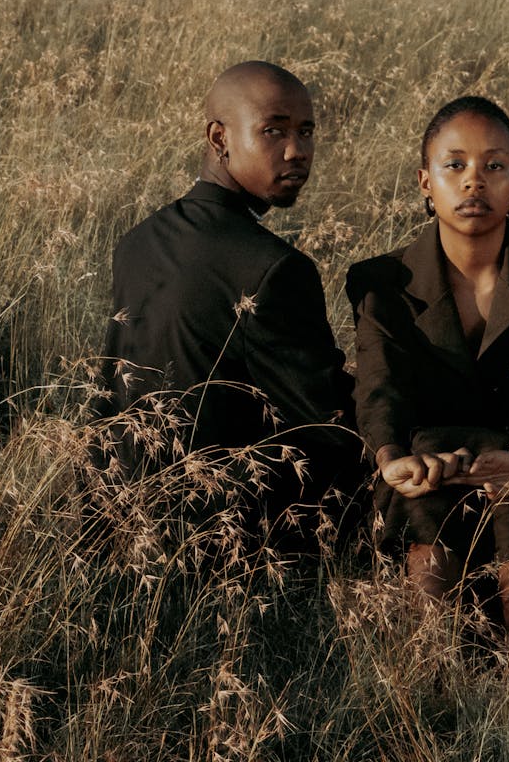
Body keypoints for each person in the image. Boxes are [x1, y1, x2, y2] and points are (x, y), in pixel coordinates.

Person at [346, 96, 509, 636]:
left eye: (494, 166)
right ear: (425, 181)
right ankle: (428, 669)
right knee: (423, 486)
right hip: (433, 452)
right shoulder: (380, 280)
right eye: (455, 165)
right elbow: (380, 386)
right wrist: (390, 457)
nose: (474, 181)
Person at [95, 60, 361, 547]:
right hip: (217, 533)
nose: (296, 151)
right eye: (272, 131)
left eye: (306, 132)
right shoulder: (273, 268)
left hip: (116, 513)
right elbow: (328, 422)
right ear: (219, 139)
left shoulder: (137, 240)